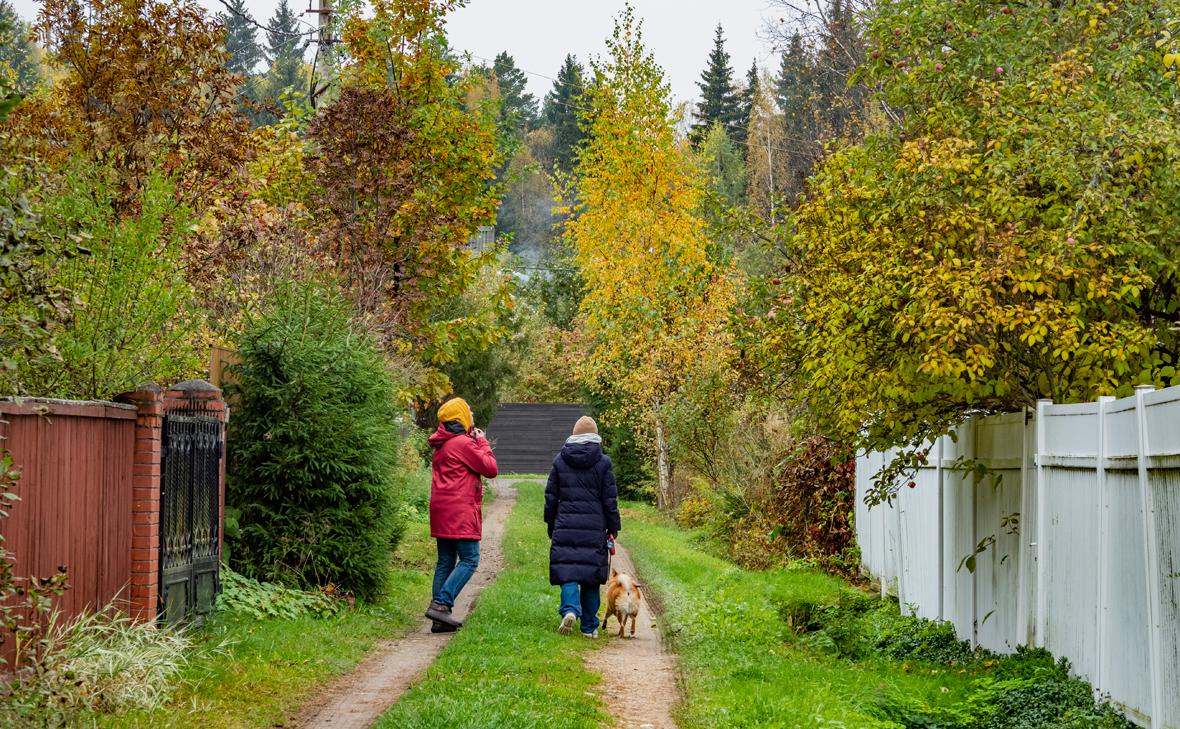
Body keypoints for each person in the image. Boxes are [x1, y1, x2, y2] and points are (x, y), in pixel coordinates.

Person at [425, 397, 498, 632]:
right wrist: (483, 442)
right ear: (461, 417)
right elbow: (490, 468)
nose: (472, 416)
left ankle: (439, 620)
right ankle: (441, 604)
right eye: (469, 413)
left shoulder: (443, 443)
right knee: (469, 559)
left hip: (441, 508)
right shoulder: (462, 443)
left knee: (446, 561)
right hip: (459, 510)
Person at [544, 415, 621, 638]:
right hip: (594, 527)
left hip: (566, 524)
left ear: (574, 435)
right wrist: (613, 526)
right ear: (595, 437)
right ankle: (589, 627)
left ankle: (569, 610)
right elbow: (610, 499)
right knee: (591, 577)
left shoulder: (560, 461)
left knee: (568, 571)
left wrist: (551, 523)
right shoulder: (603, 462)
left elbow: (551, 497)